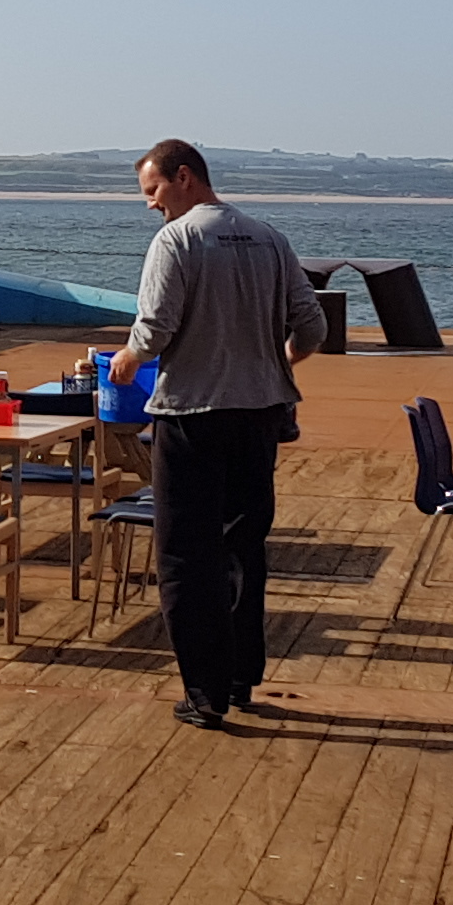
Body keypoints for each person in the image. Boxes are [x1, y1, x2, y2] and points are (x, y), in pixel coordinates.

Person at [121, 138, 327, 729]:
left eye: (154, 191)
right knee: (242, 546)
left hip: (192, 415)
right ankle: (239, 676)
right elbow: (311, 324)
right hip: (260, 414)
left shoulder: (177, 239)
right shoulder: (269, 237)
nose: (152, 205)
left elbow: (156, 326)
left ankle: (204, 691)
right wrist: (279, 361)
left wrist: (129, 360)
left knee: (186, 553)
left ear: (184, 177)